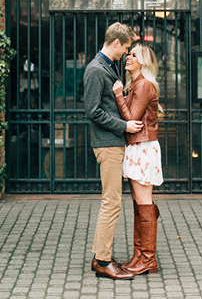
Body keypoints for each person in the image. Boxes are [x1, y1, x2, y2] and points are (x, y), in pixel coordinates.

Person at [84, 22, 142, 280]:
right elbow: (93, 111)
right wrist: (125, 125)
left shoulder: (106, 66)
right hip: (107, 143)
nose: (125, 53)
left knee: (111, 202)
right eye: (125, 48)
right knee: (112, 202)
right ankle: (103, 261)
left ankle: (100, 255)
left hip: (112, 142)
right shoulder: (96, 70)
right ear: (116, 43)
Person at [113, 44, 163, 275]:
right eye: (129, 53)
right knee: (139, 203)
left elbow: (132, 117)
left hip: (143, 146)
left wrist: (117, 96)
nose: (128, 57)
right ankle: (139, 255)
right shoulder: (137, 84)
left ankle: (147, 259)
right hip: (138, 146)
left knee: (143, 204)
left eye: (133, 55)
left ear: (143, 61)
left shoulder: (142, 85)